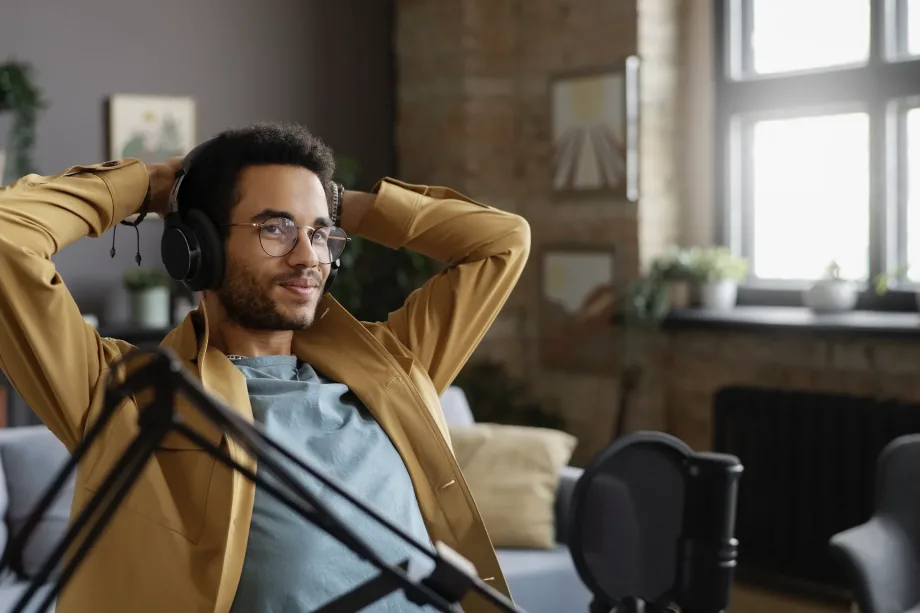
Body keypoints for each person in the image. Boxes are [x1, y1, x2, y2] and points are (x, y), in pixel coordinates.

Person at [0, 122, 530, 613]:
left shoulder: (392, 365)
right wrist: (152, 185)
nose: (309, 257)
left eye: (320, 233)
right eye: (275, 228)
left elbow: (501, 242)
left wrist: (337, 202)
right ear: (199, 246)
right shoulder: (128, 394)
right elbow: (7, 237)